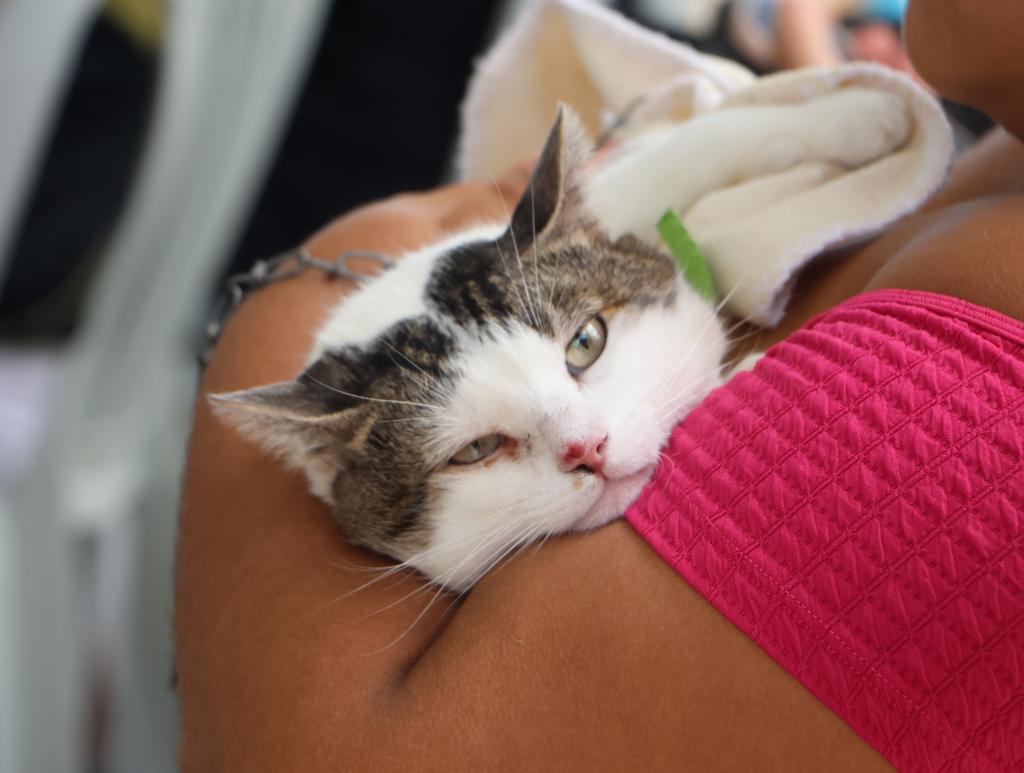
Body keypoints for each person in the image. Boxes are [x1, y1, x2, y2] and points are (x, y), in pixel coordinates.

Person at [176, 0, 1024, 768]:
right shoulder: (989, 159)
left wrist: (313, 279)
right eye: (479, 446)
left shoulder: (967, 396)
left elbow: (313, 749)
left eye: (586, 345)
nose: (586, 446)